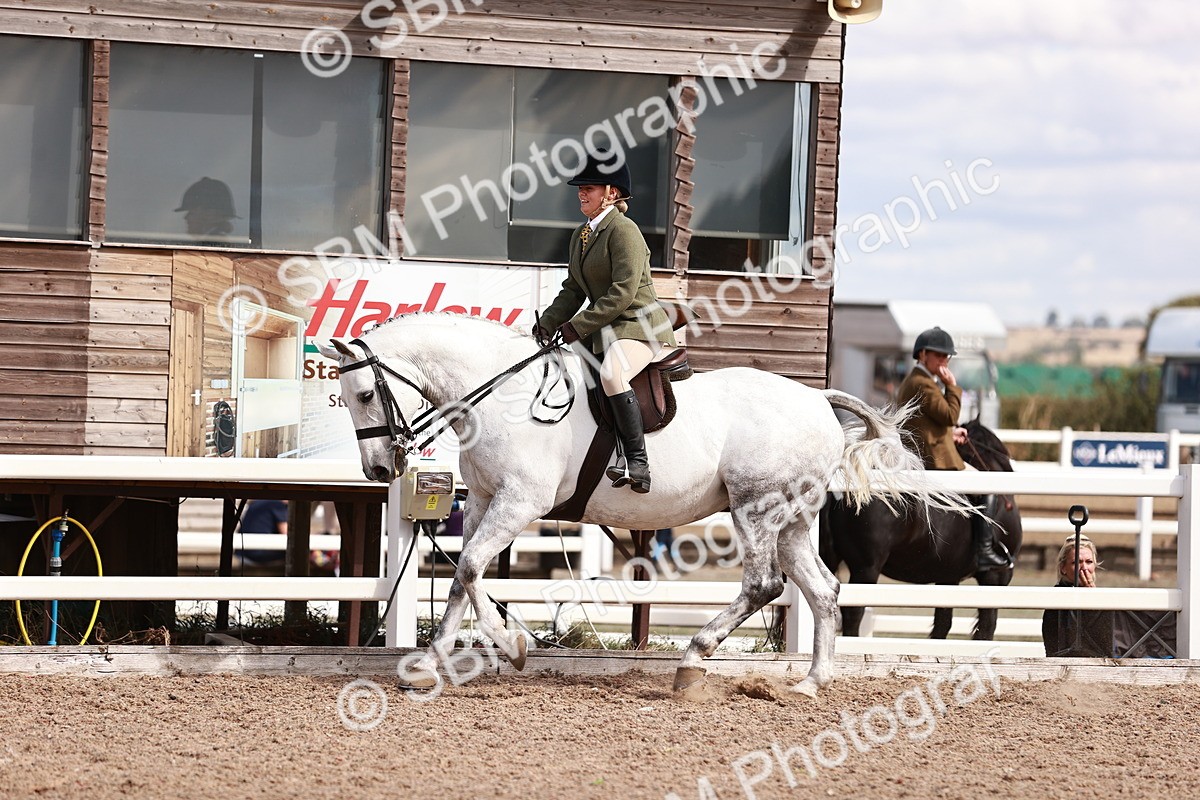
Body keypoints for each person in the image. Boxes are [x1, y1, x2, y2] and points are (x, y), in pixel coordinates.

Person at [535, 155, 677, 494]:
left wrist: (578, 325)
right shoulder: (581, 235)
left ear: (611, 193)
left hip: (639, 326)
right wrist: (548, 323)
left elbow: (622, 293)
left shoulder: (624, 231)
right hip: (608, 330)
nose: (581, 194)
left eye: (589, 188)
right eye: (580, 188)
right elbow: (573, 289)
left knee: (612, 374)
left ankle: (638, 462)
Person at [896, 326, 1010, 570]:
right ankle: (984, 550)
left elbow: (925, 422)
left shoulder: (916, 380)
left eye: (947, 356)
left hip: (926, 447)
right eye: (939, 355)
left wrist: (950, 433)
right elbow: (950, 414)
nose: (944, 361)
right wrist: (952, 386)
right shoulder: (924, 383)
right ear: (923, 354)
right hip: (935, 457)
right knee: (987, 485)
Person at [1042, 535, 1113, 657]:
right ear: (1063, 568)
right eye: (1076, 562)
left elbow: (1108, 645)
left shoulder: (1103, 598)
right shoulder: (1057, 597)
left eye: (1089, 562)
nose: (1084, 568)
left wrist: (1093, 597)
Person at [175, 177, 238, 242]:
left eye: (192, 213)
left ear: (210, 215)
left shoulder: (213, 245)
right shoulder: (212, 243)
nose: (185, 217)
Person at [237, 498, 288, 566]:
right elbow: (288, 533)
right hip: (256, 554)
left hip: (242, 553)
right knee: (298, 551)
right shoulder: (277, 504)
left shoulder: (259, 501)